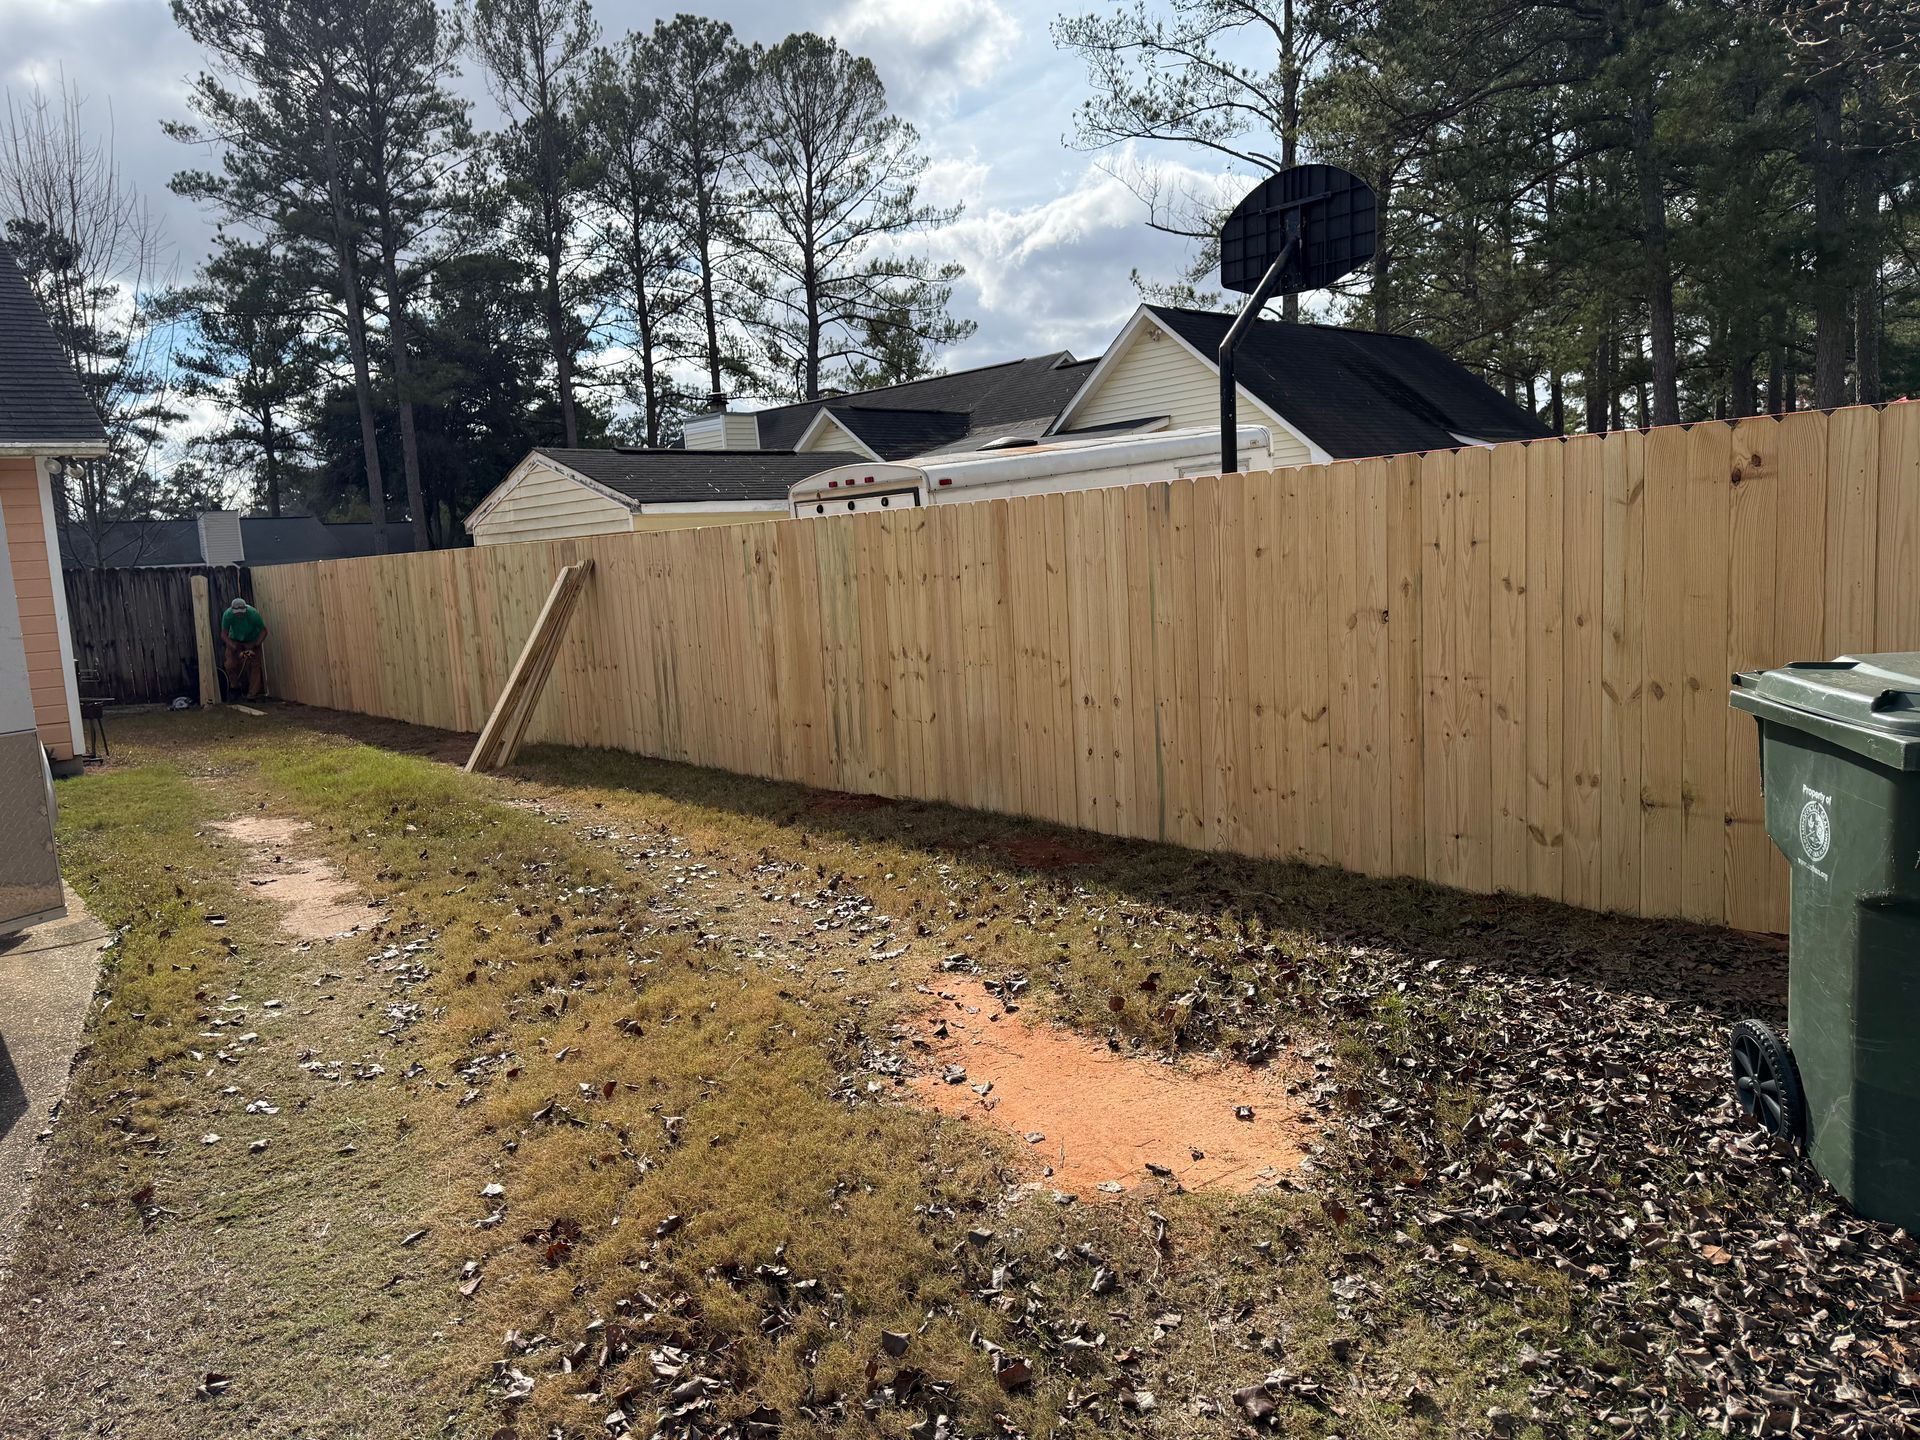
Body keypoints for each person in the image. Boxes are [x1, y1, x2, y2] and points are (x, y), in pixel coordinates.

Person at [220, 595, 268, 700]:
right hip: (235, 639)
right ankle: (235, 687)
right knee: (230, 664)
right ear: (232, 611)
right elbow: (223, 634)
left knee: (255, 666)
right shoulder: (227, 615)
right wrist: (232, 645)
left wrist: (256, 644)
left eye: (242, 612)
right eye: (237, 613)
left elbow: (264, 631)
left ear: (245, 609)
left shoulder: (253, 614)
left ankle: (252, 694)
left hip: (252, 639)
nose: (240, 615)